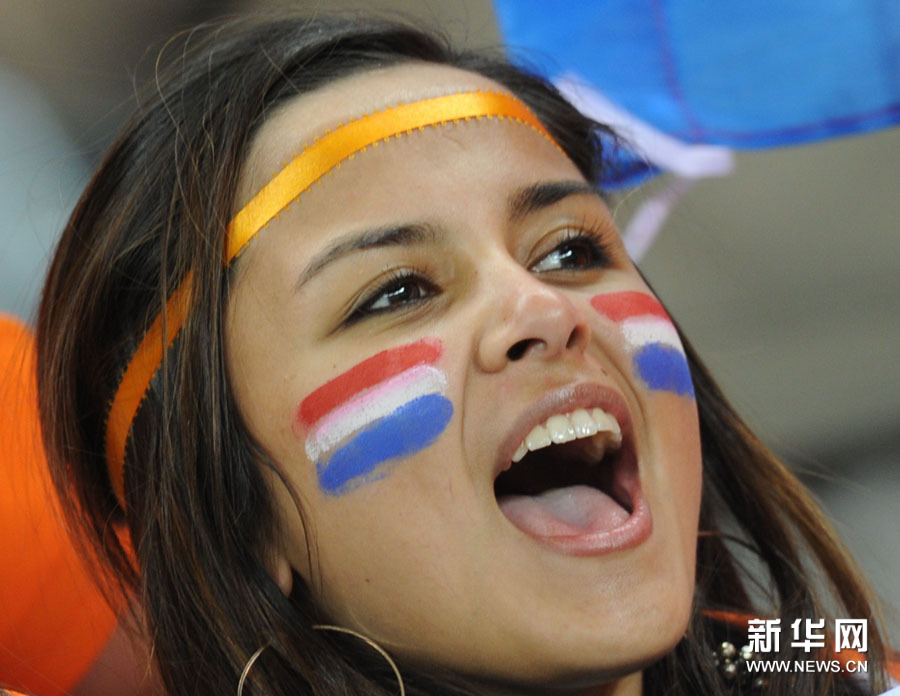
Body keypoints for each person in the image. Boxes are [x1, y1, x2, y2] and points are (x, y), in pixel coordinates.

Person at [33, 12, 896, 696]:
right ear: (237, 517)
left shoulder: (832, 665)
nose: (544, 308)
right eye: (397, 292)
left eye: (571, 249)